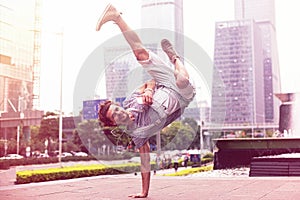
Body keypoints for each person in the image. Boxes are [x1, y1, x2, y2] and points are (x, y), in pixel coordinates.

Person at [96, 3, 195, 198]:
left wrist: (149, 90)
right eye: (114, 115)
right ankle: (175, 58)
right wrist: (144, 193)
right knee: (182, 79)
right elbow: (145, 161)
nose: (119, 112)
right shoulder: (138, 134)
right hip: (183, 95)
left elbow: (150, 81)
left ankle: (116, 17)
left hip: (165, 83)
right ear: (114, 122)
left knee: (139, 54)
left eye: (116, 108)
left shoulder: (131, 101)